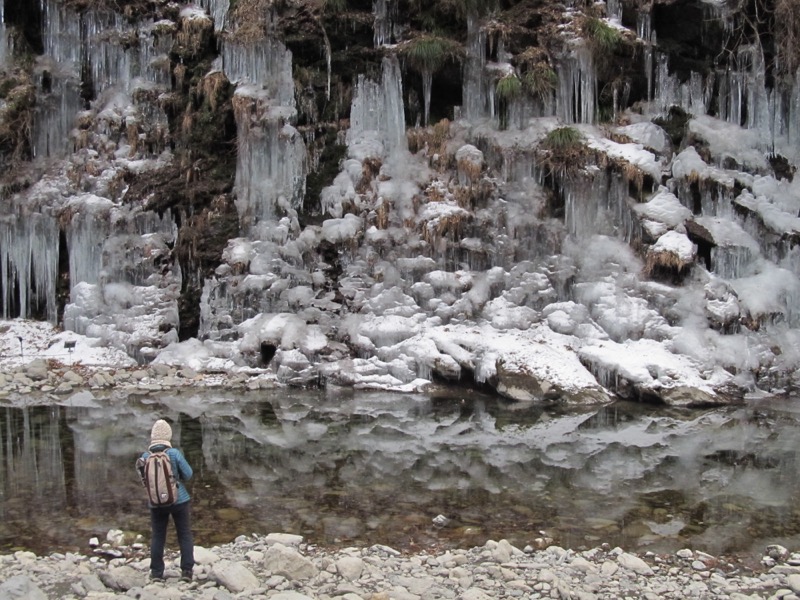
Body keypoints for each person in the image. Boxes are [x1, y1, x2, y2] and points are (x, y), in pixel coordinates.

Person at [137, 419, 195, 581]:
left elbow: (144, 481)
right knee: (184, 534)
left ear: (152, 438)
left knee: (158, 536)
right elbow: (189, 474)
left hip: (156, 503)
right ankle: (187, 572)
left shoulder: (145, 457)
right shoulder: (174, 454)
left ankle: (156, 573)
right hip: (179, 500)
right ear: (168, 436)